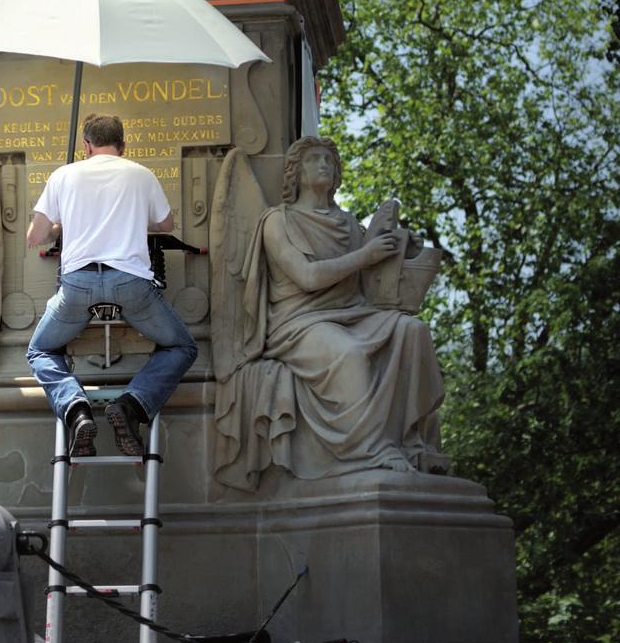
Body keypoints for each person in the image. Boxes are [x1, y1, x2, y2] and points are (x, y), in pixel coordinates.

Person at [212, 138, 446, 488]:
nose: (323, 165)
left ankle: (414, 443)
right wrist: (366, 256)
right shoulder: (278, 221)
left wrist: (398, 251)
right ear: (295, 172)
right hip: (298, 323)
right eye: (313, 160)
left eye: (328, 161)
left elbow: (368, 283)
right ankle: (369, 451)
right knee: (349, 355)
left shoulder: (349, 224)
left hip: (353, 312)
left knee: (413, 331)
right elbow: (307, 277)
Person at [26, 113, 198, 457]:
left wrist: (64, 225)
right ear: (123, 145)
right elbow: (166, 223)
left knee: (40, 350)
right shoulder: (141, 173)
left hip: (78, 286)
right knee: (182, 347)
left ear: (85, 145)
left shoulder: (64, 175)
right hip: (131, 284)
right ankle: (132, 405)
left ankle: (75, 410)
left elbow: (36, 237)